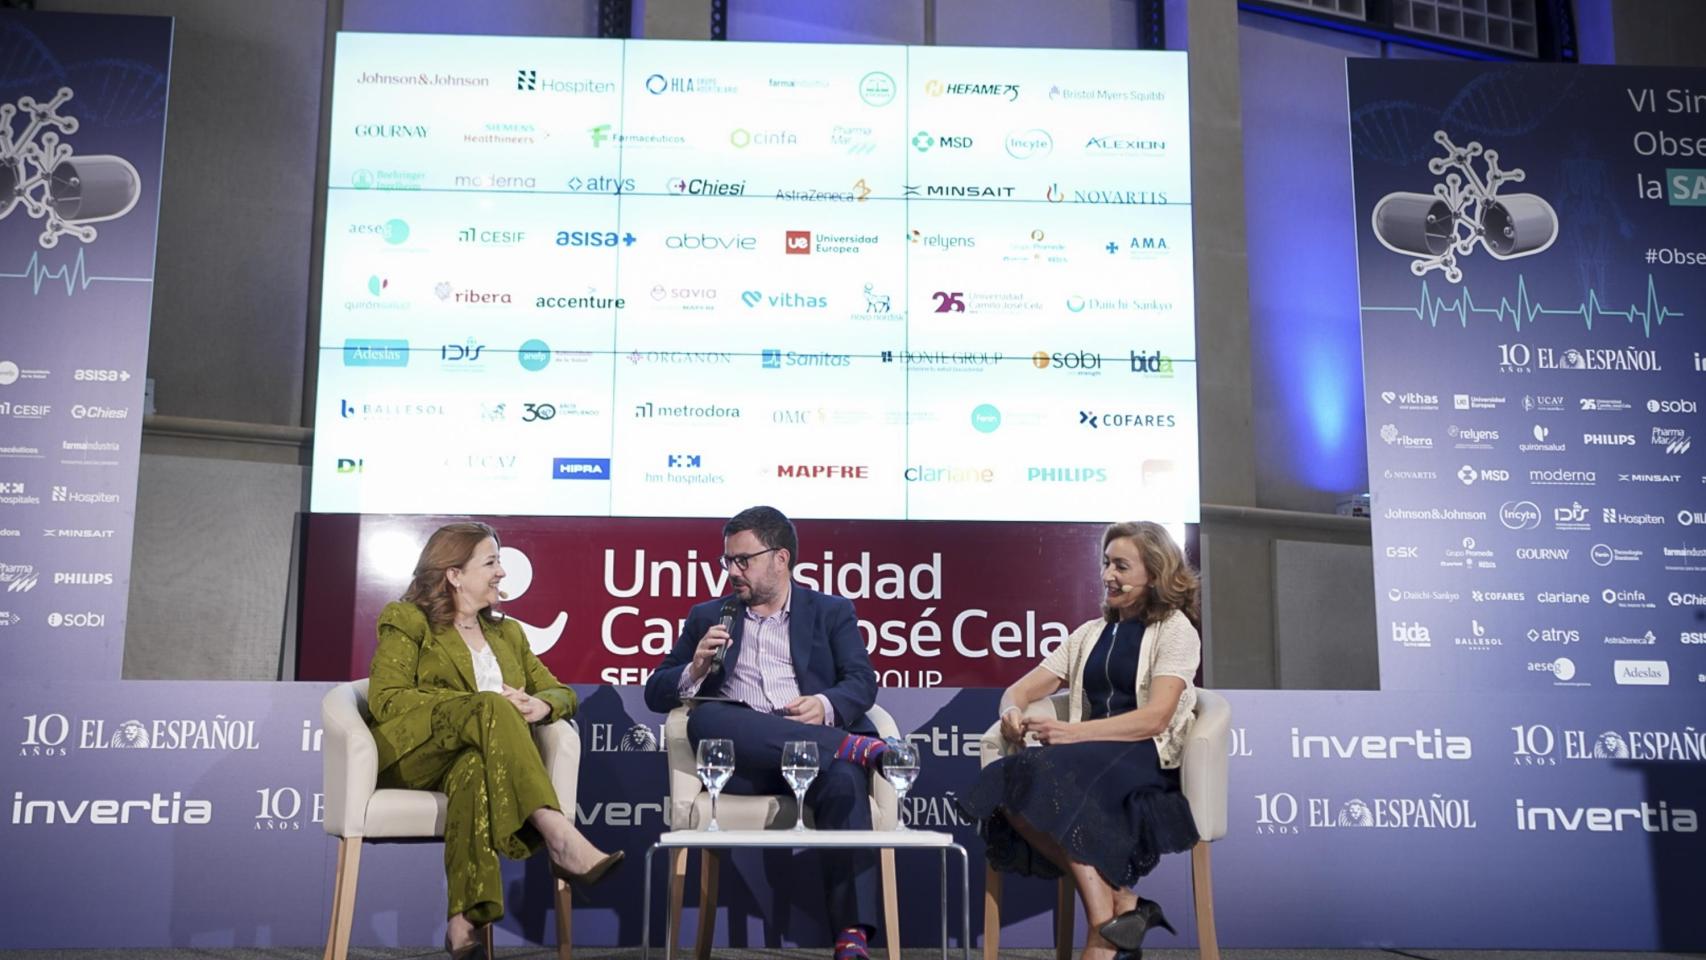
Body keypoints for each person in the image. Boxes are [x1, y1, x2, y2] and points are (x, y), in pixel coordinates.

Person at [643, 505, 890, 960]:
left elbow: (861, 681)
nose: (732, 572)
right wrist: (695, 667)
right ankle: (851, 747)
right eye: (727, 562)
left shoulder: (830, 611)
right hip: (748, 762)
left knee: (844, 780)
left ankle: (852, 936)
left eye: (744, 560)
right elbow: (656, 692)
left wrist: (825, 705)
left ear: (781, 558)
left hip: (814, 766)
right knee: (707, 720)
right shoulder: (709, 615)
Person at [367, 522, 623, 960]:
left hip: (470, 762)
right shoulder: (407, 620)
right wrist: (476, 707)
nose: (502, 572)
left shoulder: (508, 634)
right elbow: (386, 700)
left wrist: (541, 707)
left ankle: (465, 921)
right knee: (489, 706)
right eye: (491, 562)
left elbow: (560, 691)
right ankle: (558, 834)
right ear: (454, 573)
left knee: (473, 768)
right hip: (413, 757)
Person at [957, 521, 1202, 960]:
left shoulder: (1175, 630)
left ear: (1156, 573)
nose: (1108, 575)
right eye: (1106, 564)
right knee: (1010, 782)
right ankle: (1115, 912)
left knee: (1043, 774)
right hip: (1087, 755)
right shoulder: (1089, 633)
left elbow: (1155, 717)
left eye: (1122, 566)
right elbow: (1019, 690)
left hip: (1142, 756)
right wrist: (1010, 712)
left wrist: (1072, 733)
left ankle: (1104, 930)